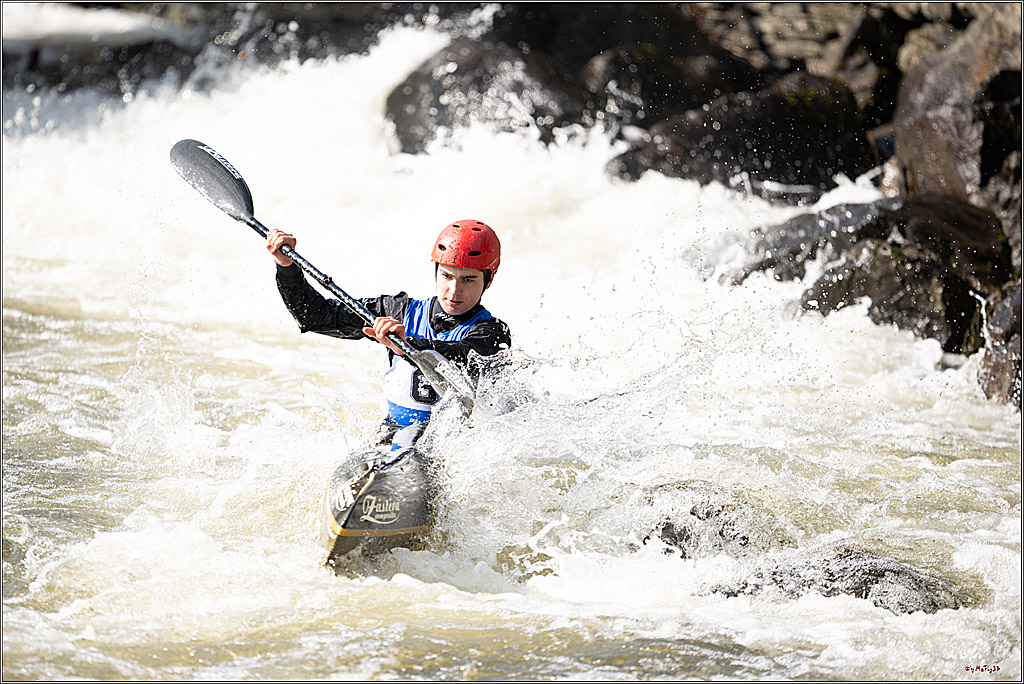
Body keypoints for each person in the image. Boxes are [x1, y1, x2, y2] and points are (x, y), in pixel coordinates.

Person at [266, 219, 511, 449]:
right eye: (446, 276)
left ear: (488, 281)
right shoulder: (398, 311)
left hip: (450, 443)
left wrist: (408, 345)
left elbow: (463, 354)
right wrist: (287, 268)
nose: (454, 291)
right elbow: (314, 316)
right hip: (392, 433)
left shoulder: (493, 333)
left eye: (468, 280)